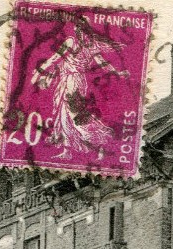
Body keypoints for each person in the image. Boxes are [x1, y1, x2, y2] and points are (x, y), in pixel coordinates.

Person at [31, 21, 130, 160]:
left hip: (74, 82)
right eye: (80, 30)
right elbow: (55, 59)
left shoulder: (86, 45)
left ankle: (100, 143)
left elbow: (103, 63)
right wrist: (40, 73)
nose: (82, 33)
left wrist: (117, 73)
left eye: (84, 30)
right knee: (63, 115)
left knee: (76, 116)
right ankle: (67, 151)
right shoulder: (74, 42)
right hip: (67, 80)